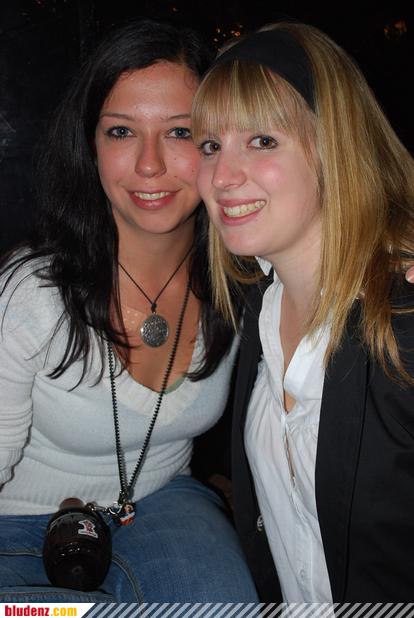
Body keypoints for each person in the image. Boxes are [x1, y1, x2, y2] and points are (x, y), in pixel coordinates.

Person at [0, 19, 259, 603]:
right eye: (121, 131)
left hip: (163, 502)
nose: (148, 165)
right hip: (15, 526)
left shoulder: (241, 277)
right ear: (90, 146)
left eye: (180, 132)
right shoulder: (32, 294)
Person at [192, 22, 414, 602]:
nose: (222, 176)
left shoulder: (400, 325)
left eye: (262, 140)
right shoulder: (258, 309)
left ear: (333, 146)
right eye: (210, 146)